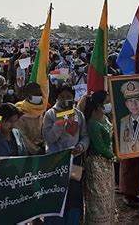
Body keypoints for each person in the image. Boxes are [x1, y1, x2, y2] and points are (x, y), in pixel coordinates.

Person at [42, 84, 89, 224]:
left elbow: (85, 136)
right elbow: (49, 138)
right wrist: (60, 122)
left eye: (68, 97)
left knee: (74, 194)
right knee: (57, 193)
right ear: (57, 97)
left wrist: (81, 147)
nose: (65, 99)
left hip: (74, 160)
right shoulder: (50, 114)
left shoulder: (79, 114)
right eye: (62, 96)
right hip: (56, 161)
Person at [83, 91, 116, 225]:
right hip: (97, 165)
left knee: (108, 199)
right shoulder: (92, 123)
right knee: (98, 201)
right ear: (98, 105)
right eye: (107, 102)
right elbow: (100, 146)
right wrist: (113, 156)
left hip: (107, 163)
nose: (109, 104)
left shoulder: (105, 118)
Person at [15, 82, 45, 155]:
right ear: (28, 95)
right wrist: (35, 150)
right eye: (35, 94)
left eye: (39, 93)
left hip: (42, 148)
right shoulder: (20, 111)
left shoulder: (42, 109)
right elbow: (22, 136)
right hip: (26, 151)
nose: (39, 96)